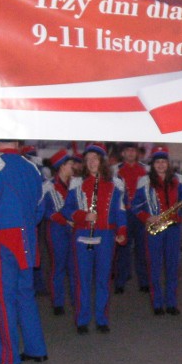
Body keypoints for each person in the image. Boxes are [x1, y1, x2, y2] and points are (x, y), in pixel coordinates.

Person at [0, 140, 47, 364]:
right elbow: (41, 204)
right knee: (25, 294)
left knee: (4, 298)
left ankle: (8, 357)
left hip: (4, 239)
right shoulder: (30, 165)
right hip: (27, 237)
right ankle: (36, 348)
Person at [62, 143, 127, 334]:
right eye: (88, 159)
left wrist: (122, 230)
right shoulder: (76, 183)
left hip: (106, 235)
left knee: (103, 279)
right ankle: (82, 319)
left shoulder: (115, 184)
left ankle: (101, 318)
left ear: (102, 162)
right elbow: (67, 209)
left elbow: (120, 210)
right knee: (82, 278)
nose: (91, 162)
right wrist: (83, 216)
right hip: (83, 234)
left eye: (95, 159)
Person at [133, 146, 182, 315]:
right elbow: (134, 206)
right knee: (154, 266)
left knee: (172, 266)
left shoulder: (178, 180)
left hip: (173, 228)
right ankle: (157, 303)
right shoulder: (144, 181)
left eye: (164, 161)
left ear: (168, 164)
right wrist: (148, 217)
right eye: (158, 162)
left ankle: (171, 303)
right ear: (153, 164)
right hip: (154, 227)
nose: (161, 165)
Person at [42, 149, 79, 316]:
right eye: (71, 164)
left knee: (75, 265)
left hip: (75, 228)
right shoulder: (48, 186)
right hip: (57, 229)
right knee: (58, 265)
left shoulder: (77, 184)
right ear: (62, 167)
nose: (74, 167)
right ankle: (58, 301)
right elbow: (46, 211)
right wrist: (65, 220)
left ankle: (75, 298)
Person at [112, 142, 148, 293]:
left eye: (133, 151)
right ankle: (120, 280)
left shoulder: (145, 170)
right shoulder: (115, 170)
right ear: (123, 154)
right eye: (128, 151)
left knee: (142, 248)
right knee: (123, 248)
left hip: (140, 213)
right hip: (124, 212)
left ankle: (144, 281)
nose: (131, 153)